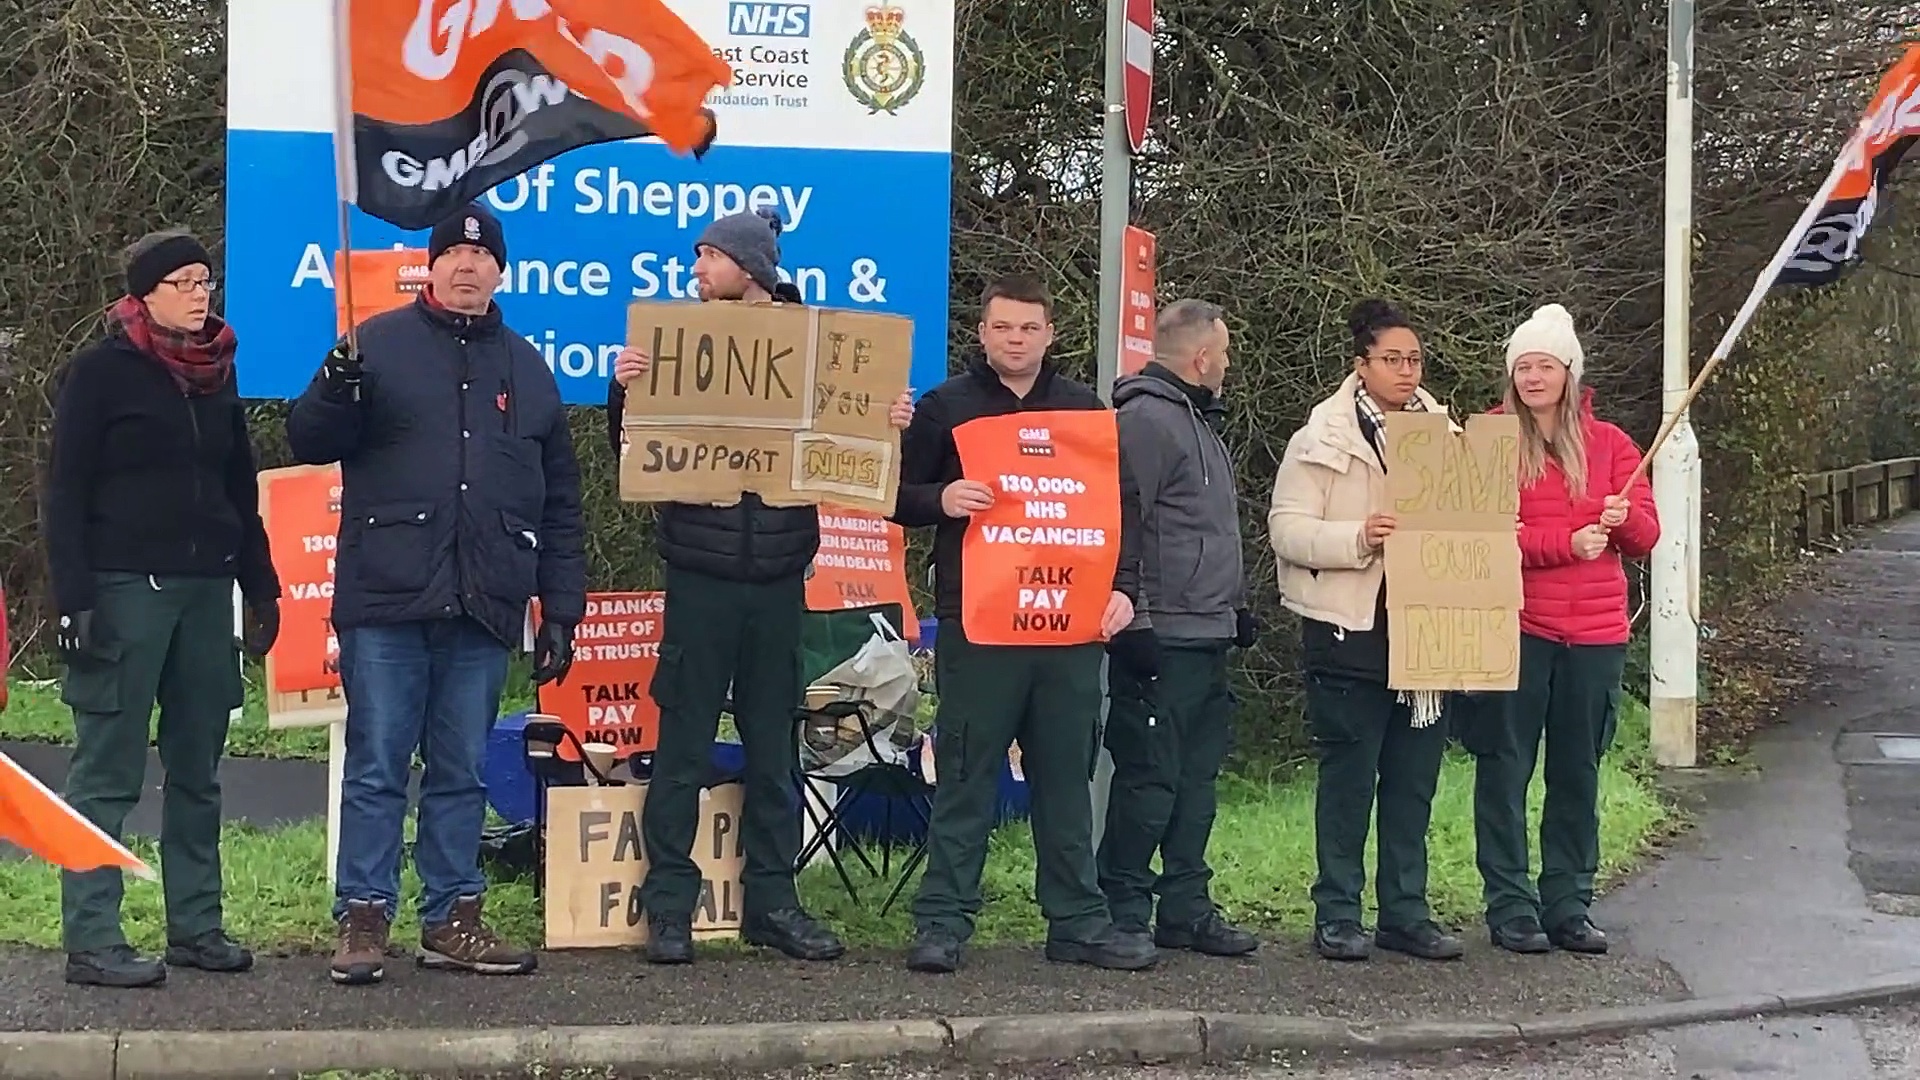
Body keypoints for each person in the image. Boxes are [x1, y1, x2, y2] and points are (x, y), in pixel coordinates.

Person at [287, 203, 586, 986]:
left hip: (484, 602)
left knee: (461, 768)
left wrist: (562, 606)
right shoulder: (372, 347)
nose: (465, 266)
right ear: (430, 264)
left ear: (501, 272)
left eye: (480, 257)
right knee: (379, 762)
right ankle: (362, 917)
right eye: (451, 252)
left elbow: (560, 500)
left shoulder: (527, 369)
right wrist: (331, 388)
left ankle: (454, 915)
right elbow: (309, 440)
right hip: (387, 597)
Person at [606, 207, 913, 965]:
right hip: (700, 578)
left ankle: (773, 904)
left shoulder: (818, 346)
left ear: (748, 267)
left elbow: (853, 435)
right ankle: (670, 907)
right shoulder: (675, 345)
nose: (697, 270)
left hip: (779, 580)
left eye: (708, 257)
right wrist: (625, 391)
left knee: (776, 747)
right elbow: (635, 445)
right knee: (681, 746)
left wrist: (888, 418)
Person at [890, 273, 1153, 975]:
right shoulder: (946, 407)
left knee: (1066, 777)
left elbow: (1117, 512)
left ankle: (1077, 921)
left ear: (1050, 333)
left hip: (1069, 627)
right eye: (1003, 327)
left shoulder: (1083, 410)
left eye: (1029, 328)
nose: (1016, 340)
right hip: (979, 625)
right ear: (982, 333)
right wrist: (941, 496)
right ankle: (943, 921)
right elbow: (893, 496)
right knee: (967, 775)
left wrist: (1122, 589)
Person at [42, 229, 282, 988]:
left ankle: (197, 925)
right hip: (123, 589)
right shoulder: (101, 374)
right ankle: (92, 936)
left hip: (208, 591)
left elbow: (239, 485)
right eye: (182, 281)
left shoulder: (217, 375)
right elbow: (65, 491)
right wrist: (73, 599)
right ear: (145, 294)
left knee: (197, 765)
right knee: (107, 769)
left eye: (205, 280)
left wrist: (262, 584)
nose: (199, 292)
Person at [1267, 298, 1462, 963]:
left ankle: (1405, 912)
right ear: (1361, 365)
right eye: (1392, 359)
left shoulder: (1448, 435)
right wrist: (1358, 536)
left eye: (1414, 360)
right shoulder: (1320, 436)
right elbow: (1286, 529)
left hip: (1425, 629)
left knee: (1414, 783)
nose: (1406, 371)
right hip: (1349, 630)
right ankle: (1338, 914)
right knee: (1350, 781)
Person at [1469, 303, 1658, 956]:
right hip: (1517, 626)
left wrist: (1623, 514)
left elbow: (1645, 538)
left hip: (1597, 638)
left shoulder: (1612, 445)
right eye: (1522, 366)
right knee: (1505, 770)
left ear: (1569, 372)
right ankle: (1510, 906)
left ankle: (1568, 904)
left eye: (1544, 364)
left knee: (1577, 774)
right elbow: (1477, 534)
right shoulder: (1489, 439)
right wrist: (1562, 542)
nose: (1532, 376)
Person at [1097, 298, 1259, 957]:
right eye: (1222, 353)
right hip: (1161, 631)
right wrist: (1131, 611)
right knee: (1149, 779)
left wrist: (1235, 605)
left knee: (1196, 782)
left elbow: (1207, 529)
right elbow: (1123, 523)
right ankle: (1124, 906)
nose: (1226, 364)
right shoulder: (1145, 422)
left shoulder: (1198, 421)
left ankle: (1186, 907)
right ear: (1199, 358)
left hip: (1206, 630)